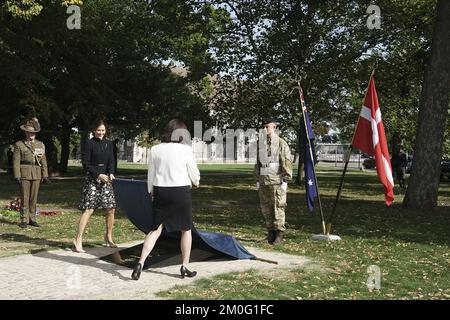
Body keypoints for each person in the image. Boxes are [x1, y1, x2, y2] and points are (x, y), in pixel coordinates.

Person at [131, 119, 200, 280]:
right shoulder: (186, 150)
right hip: (181, 191)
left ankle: (140, 263)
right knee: (186, 229)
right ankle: (185, 266)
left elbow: (151, 174)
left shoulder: (155, 149)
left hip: (161, 191)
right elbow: (194, 173)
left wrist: (150, 191)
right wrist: (196, 182)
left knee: (155, 229)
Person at [73, 119, 117, 253]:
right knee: (89, 209)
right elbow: (85, 164)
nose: (101, 132)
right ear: (94, 130)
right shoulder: (89, 143)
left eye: (103, 130)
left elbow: (111, 160)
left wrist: (111, 172)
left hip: (106, 179)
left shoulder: (109, 144)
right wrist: (98, 175)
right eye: (99, 130)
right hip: (93, 179)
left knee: (111, 208)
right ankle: (78, 239)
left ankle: (108, 237)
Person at [254, 117, 293, 244]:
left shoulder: (281, 143)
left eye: (267, 126)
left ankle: (279, 235)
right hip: (264, 180)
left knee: (278, 207)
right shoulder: (261, 143)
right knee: (266, 208)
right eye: (263, 127)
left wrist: (286, 180)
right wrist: (257, 179)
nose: (265, 129)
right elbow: (258, 163)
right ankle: (270, 233)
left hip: (277, 180)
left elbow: (286, 161)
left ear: (274, 127)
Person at [13, 118, 49, 228]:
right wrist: (16, 175)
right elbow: (16, 161)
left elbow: (43, 160)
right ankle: (24, 219)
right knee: (25, 197)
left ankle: (32, 218)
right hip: (24, 172)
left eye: (33, 132)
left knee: (34, 197)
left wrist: (45, 175)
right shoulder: (19, 144)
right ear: (26, 132)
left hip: (36, 173)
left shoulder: (40, 144)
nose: (31, 134)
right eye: (29, 132)